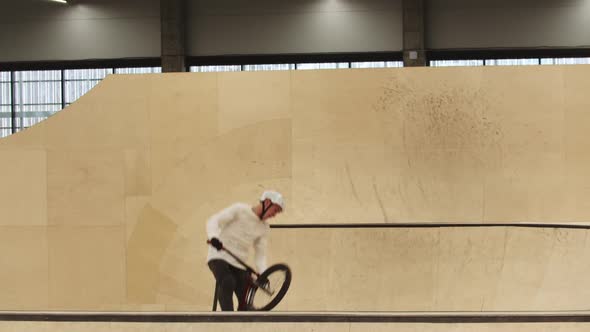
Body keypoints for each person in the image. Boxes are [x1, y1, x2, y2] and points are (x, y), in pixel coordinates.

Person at [206, 190, 285, 311]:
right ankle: (228, 319)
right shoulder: (240, 210)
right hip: (220, 256)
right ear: (267, 202)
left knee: (245, 293)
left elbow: (260, 255)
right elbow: (214, 220)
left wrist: (263, 273)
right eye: (275, 210)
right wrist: (213, 237)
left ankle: (243, 319)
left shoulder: (264, 228)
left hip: (239, 263)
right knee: (228, 281)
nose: (274, 215)